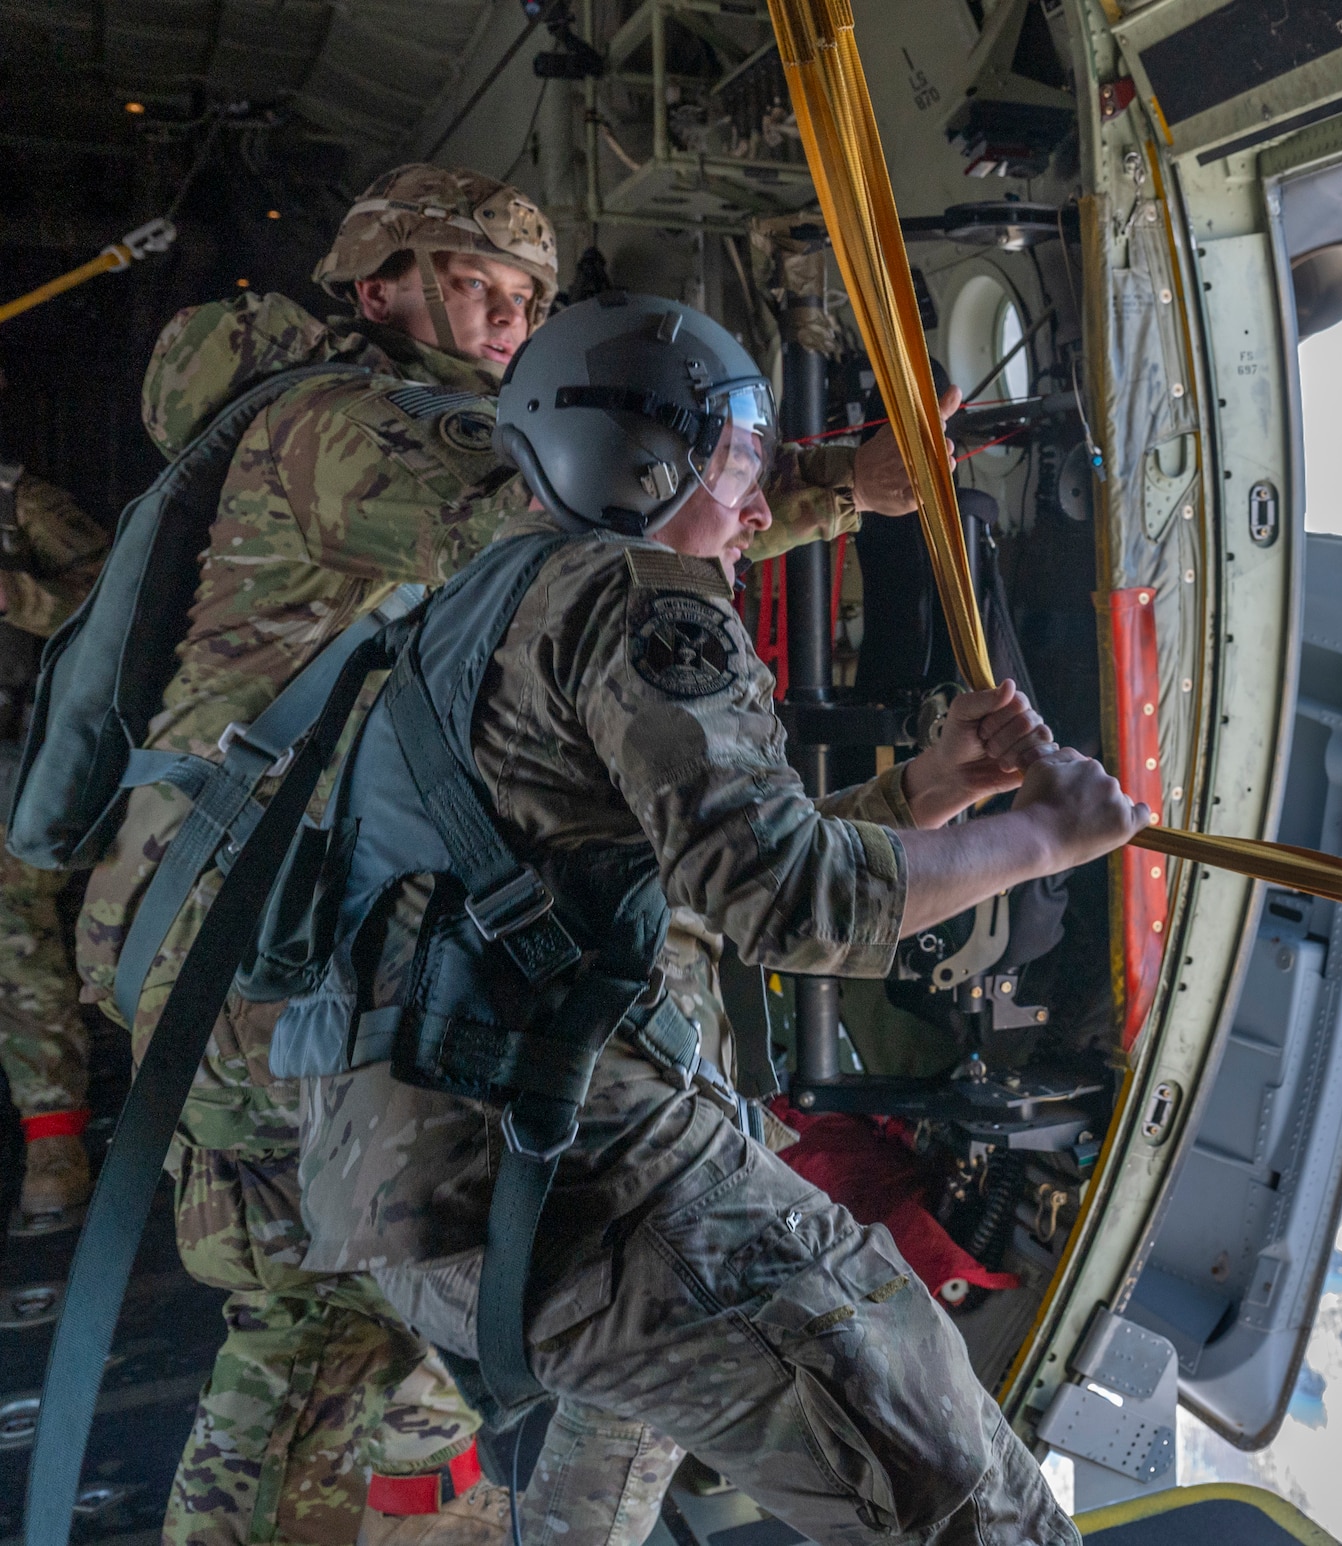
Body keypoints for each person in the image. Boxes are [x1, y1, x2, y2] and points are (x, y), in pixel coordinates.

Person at [83, 164, 944, 1546]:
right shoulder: (343, 429)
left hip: (278, 911)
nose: (509, 317)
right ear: (382, 288)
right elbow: (579, 514)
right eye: (480, 285)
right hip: (244, 933)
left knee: (337, 1308)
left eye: (530, 299)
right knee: (367, 1293)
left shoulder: (394, 424)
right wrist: (844, 483)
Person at [293, 292, 1142, 1546]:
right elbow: (779, 896)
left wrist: (925, 793)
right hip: (589, 1176)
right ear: (641, 464)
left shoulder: (478, 600)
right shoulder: (646, 599)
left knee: (614, 1476)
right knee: (965, 1494)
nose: (758, 507)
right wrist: (1044, 839)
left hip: (436, 1185)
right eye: (740, 464)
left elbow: (655, 865)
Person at [0, 445, 107, 1229]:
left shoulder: (19, 504)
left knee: (13, 925)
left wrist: (15, 597)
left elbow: (118, 603)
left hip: (16, 768)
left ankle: (54, 1141)